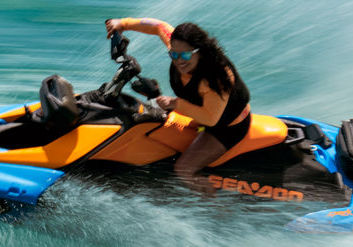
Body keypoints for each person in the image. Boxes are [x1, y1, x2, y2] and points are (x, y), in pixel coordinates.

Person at [105, 17, 251, 191]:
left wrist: (175, 103)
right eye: (174, 54)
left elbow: (211, 119)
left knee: (184, 169)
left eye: (186, 55)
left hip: (227, 127)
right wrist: (122, 24)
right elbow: (159, 27)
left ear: (200, 51)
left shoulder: (217, 77)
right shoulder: (180, 49)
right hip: (197, 113)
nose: (179, 60)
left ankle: (215, 207)